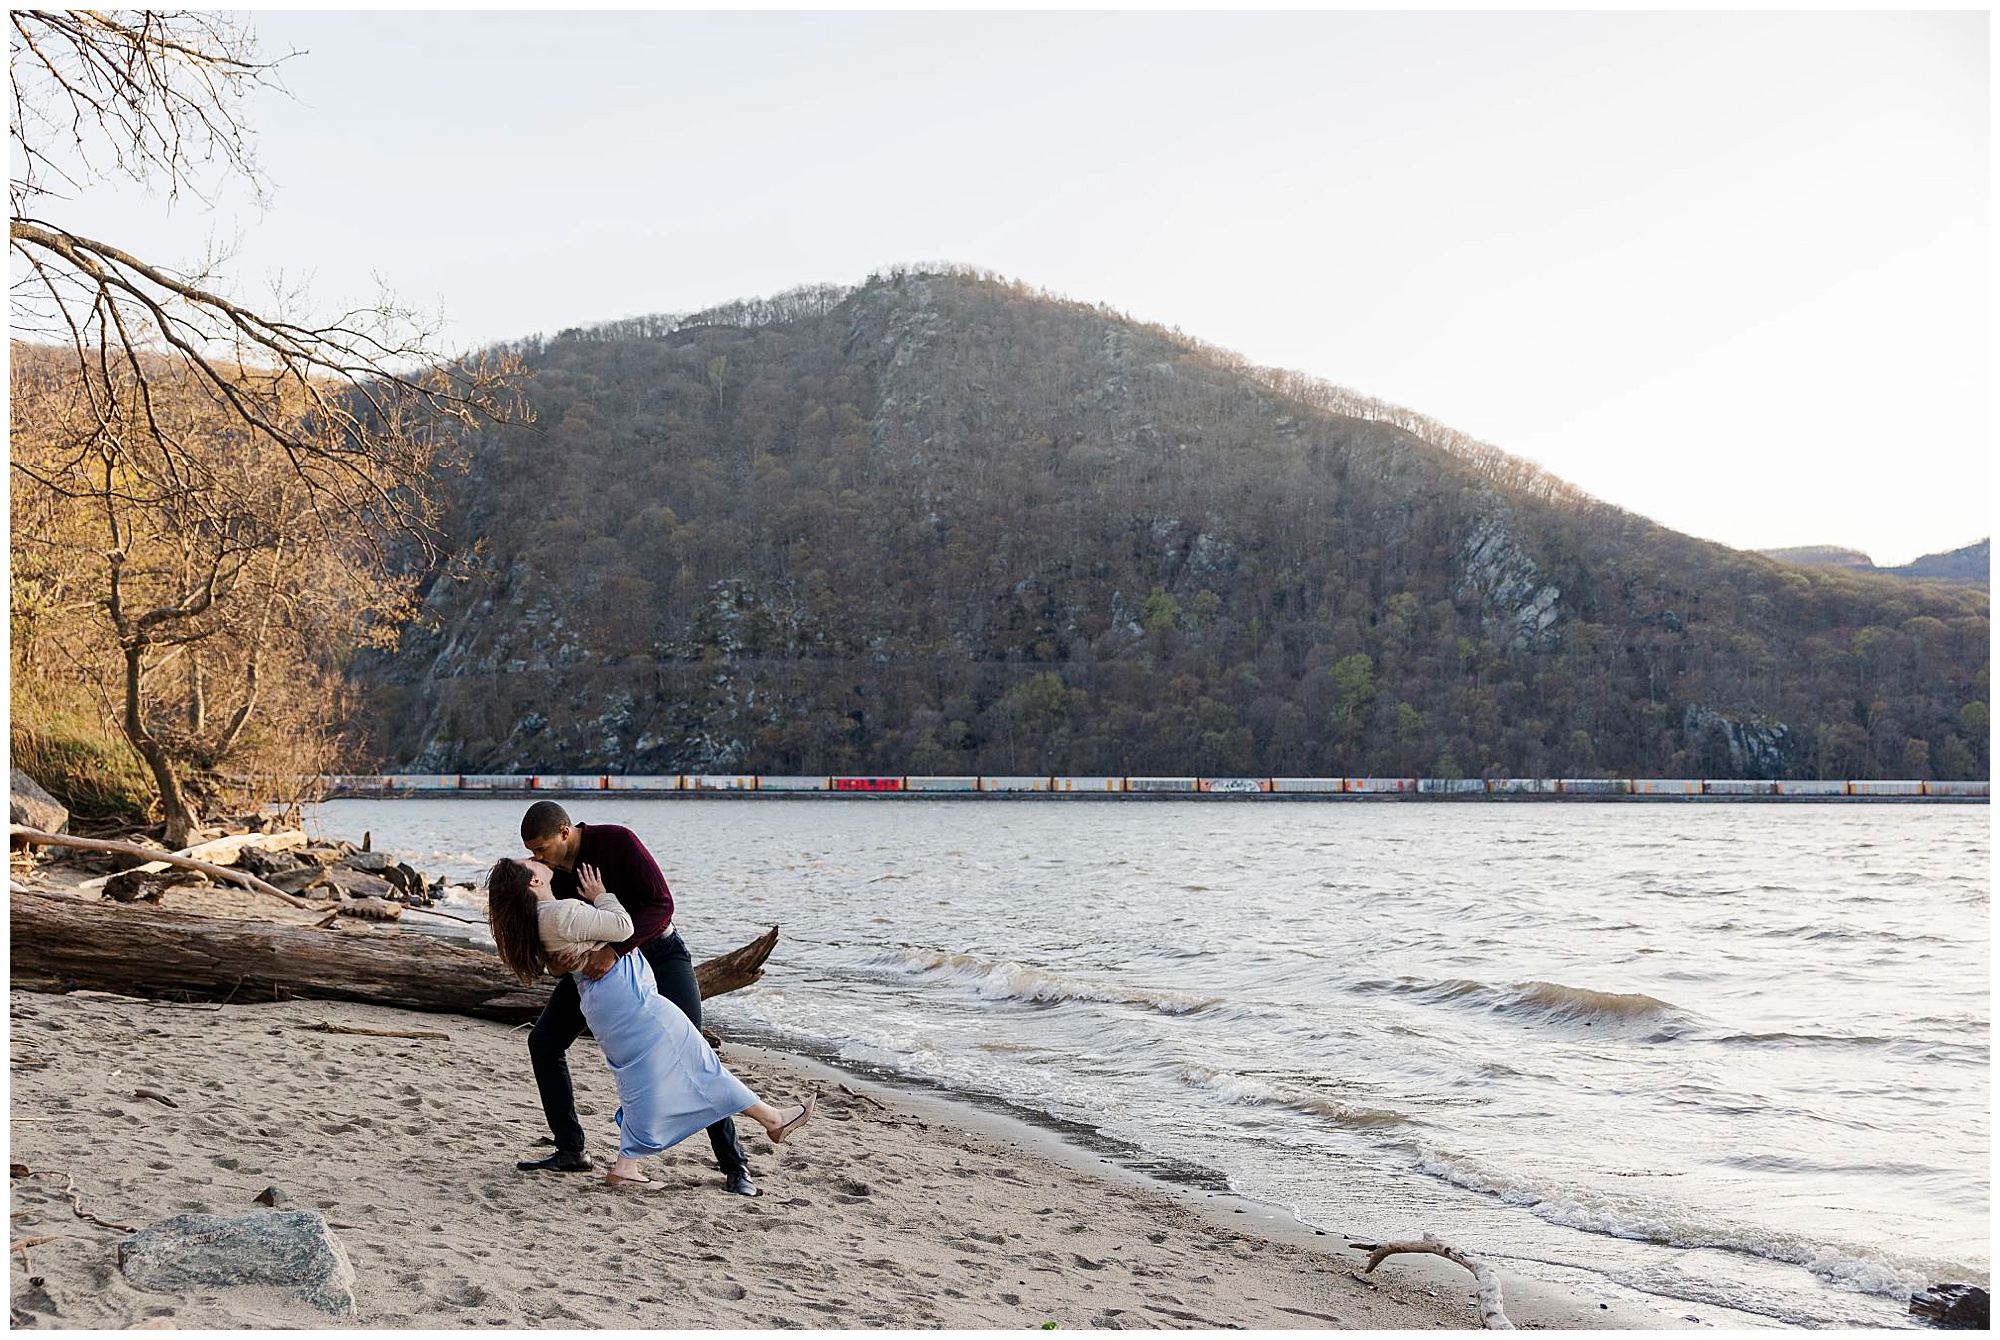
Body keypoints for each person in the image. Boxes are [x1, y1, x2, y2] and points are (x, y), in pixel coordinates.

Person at [486, 853, 813, 1189]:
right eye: (530, 860)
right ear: (534, 882)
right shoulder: (562, 913)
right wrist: (600, 894)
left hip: (605, 1005)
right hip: (632, 1000)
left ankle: (627, 1165)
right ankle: (773, 1119)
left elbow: (559, 961)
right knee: (699, 1063)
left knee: (640, 1080)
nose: (537, 859)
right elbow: (624, 927)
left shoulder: (534, 921)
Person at [510, 800, 770, 1195]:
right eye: (531, 851)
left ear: (565, 833)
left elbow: (662, 905)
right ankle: (570, 1150)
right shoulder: (550, 877)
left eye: (541, 849)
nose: (536, 857)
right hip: (596, 972)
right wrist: (559, 965)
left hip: (657, 952)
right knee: (543, 1042)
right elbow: (556, 942)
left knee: (693, 1050)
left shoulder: (617, 842)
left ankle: (735, 1166)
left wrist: (616, 950)